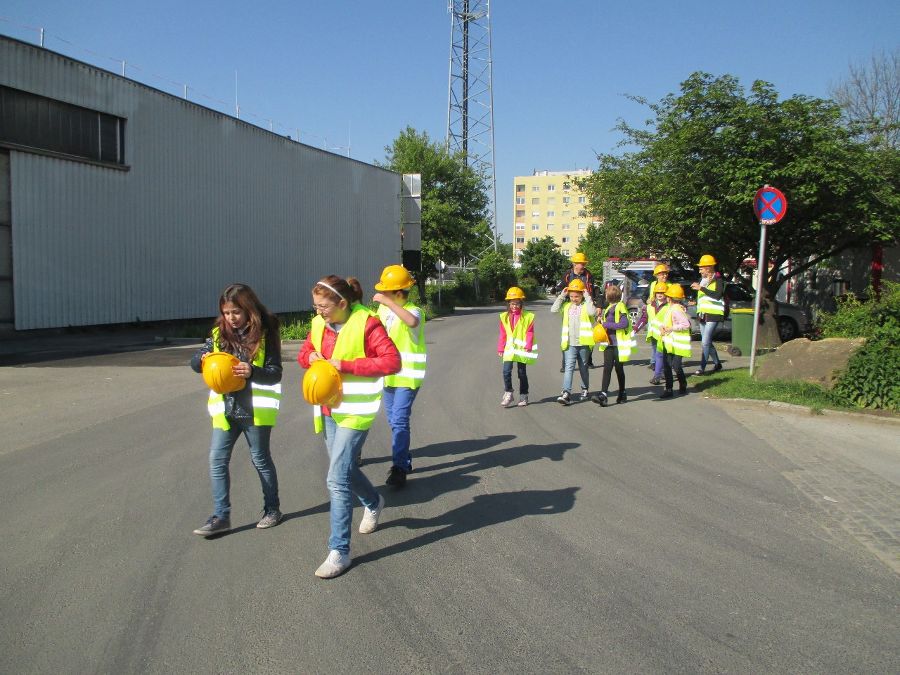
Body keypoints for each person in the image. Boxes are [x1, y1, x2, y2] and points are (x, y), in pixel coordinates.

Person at [298, 275, 401, 579]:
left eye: (324, 306)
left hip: (356, 411)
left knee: (336, 478)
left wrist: (346, 365)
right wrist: (312, 356)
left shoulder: (367, 323)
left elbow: (391, 362)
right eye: (315, 306)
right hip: (329, 407)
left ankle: (339, 551)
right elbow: (304, 353)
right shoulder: (318, 324)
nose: (319, 312)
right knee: (342, 469)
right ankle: (373, 501)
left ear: (342, 303)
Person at [190, 283, 283, 537]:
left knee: (260, 460)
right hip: (226, 408)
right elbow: (196, 362)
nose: (231, 318)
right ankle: (221, 516)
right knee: (217, 460)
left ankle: (272, 509)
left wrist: (252, 371)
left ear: (249, 309)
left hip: (255, 410)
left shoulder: (266, 333)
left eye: (236, 312)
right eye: (227, 312)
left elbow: (275, 373)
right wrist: (201, 358)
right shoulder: (219, 334)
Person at [373, 265, 426, 489]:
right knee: (394, 422)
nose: (382, 296)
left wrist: (388, 303)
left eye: (386, 292)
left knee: (400, 421)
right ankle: (404, 458)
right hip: (388, 377)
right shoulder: (383, 312)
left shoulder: (415, 311)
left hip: (407, 377)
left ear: (397, 293)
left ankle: (399, 468)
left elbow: (411, 322)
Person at [551, 278, 595, 405]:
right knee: (569, 367)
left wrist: (588, 297)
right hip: (569, 343)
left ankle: (585, 389)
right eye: (571, 296)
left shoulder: (586, 306)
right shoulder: (566, 306)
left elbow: (592, 312)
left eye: (577, 296)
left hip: (584, 343)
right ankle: (566, 393)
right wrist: (561, 296)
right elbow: (553, 310)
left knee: (583, 368)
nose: (574, 298)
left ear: (582, 294)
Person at [591, 283, 634, 406]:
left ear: (608, 297)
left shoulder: (619, 307)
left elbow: (623, 324)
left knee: (619, 369)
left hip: (618, 344)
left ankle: (622, 392)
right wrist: (600, 321)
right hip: (608, 343)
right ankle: (603, 394)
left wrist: (605, 324)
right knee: (607, 368)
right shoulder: (609, 308)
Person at [498, 286, 538, 408]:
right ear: (508, 304)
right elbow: (503, 333)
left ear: (521, 303)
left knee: (521, 373)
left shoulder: (528, 316)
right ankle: (509, 392)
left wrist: (528, 344)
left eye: (517, 303)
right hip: (509, 349)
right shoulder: (504, 316)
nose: (514, 306)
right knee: (506, 371)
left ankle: (524, 395)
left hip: (522, 349)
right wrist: (500, 347)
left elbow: (530, 332)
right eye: (512, 304)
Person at [557, 252, 597, 371]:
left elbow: (594, 290)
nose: (583, 267)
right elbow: (560, 288)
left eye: (584, 264)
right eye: (581, 264)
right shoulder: (567, 275)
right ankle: (565, 364)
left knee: (588, 333)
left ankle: (588, 360)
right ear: (574, 264)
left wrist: (597, 305)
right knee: (568, 335)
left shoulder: (589, 275)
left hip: (585, 306)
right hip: (571, 306)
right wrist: (562, 297)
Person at [690, 254, 725, 375]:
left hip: (713, 314)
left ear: (709, 268)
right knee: (707, 342)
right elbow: (703, 298)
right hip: (703, 314)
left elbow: (717, 295)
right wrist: (694, 301)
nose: (699, 270)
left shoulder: (718, 280)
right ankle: (717, 364)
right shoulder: (703, 281)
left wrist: (701, 288)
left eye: (701, 268)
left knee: (705, 342)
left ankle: (702, 368)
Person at [658, 283, 692, 397]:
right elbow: (667, 321)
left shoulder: (677, 309)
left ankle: (682, 384)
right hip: (669, 342)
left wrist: (671, 328)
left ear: (669, 298)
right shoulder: (671, 308)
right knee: (667, 366)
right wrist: (662, 327)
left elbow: (686, 324)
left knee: (675, 366)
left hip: (677, 344)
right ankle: (669, 389)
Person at [646, 282, 669, 385]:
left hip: (665, 335)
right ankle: (658, 375)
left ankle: (660, 374)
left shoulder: (669, 306)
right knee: (658, 355)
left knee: (663, 356)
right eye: (658, 292)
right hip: (655, 334)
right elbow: (644, 318)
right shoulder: (650, 305)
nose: (660, 294)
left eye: (662, 292)